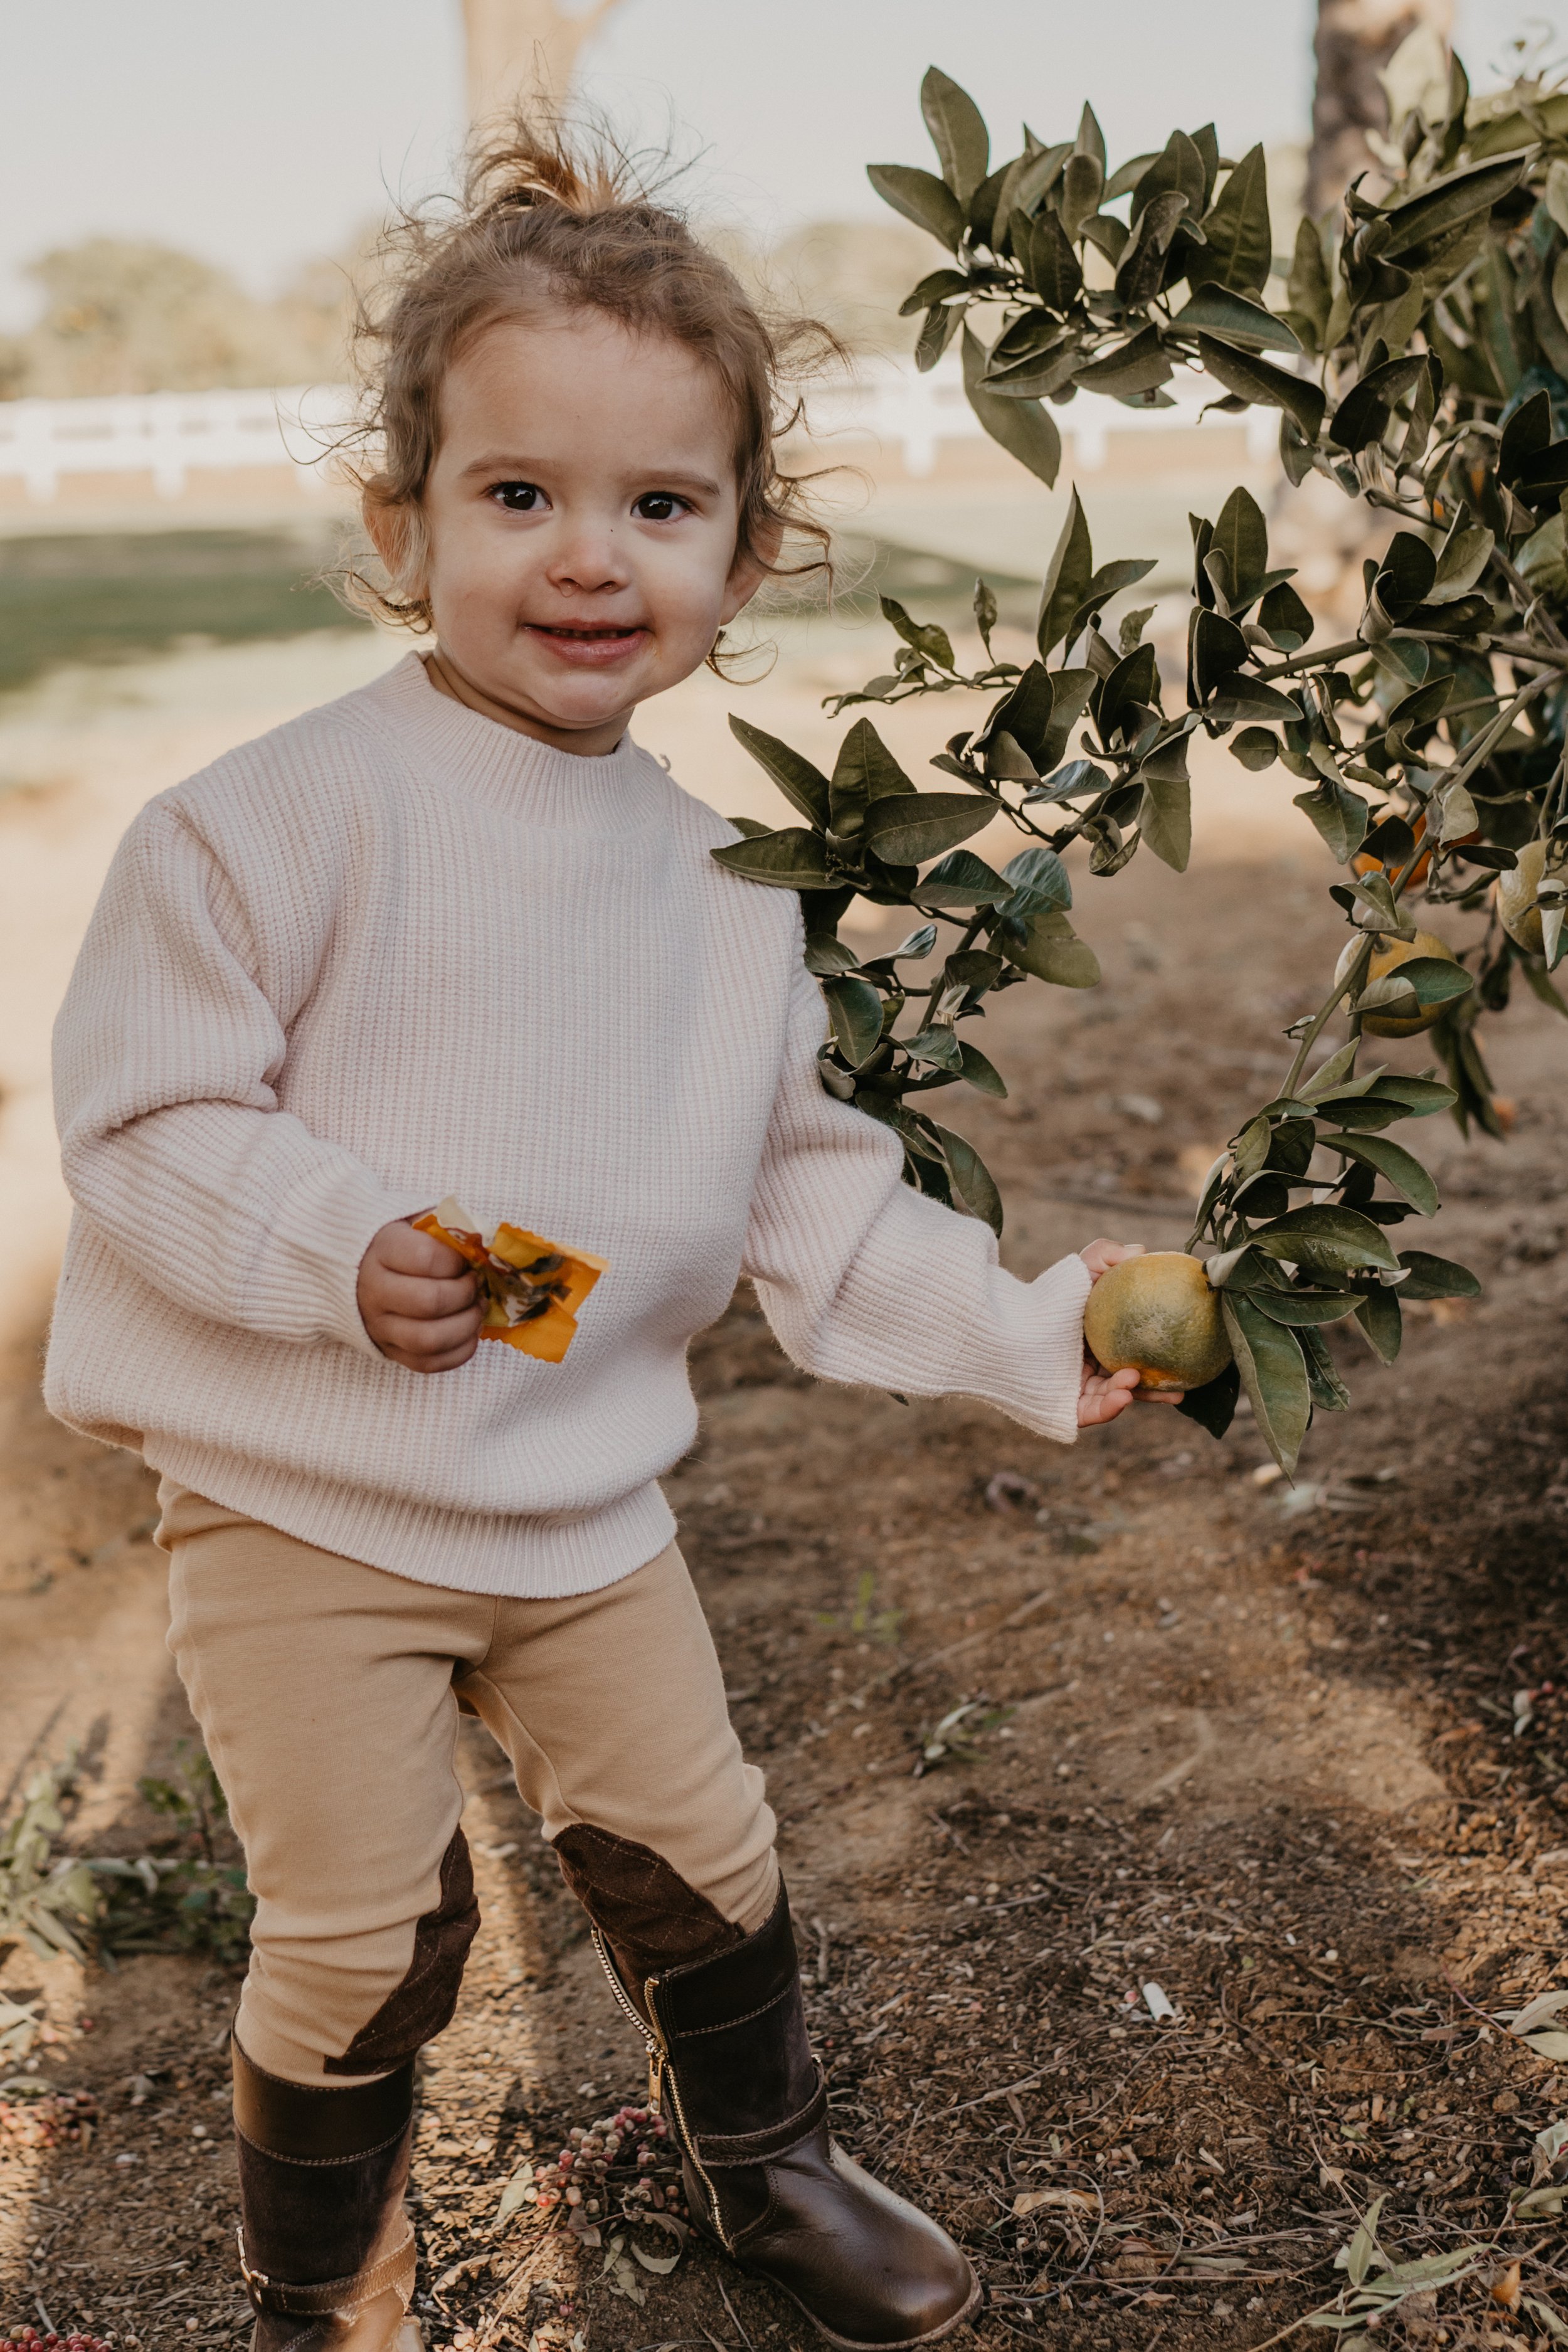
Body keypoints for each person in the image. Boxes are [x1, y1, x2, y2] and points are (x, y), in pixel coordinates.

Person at [46, 120, 1175, 2352]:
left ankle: (764, 2163)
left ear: (747, 557)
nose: (590, 559)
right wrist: (324, 1240)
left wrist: (1028, 1341)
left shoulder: (715, 889)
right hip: (300, 1504)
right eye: (518, 495)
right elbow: (145, 1114)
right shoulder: (270, 823)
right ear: (402, 523)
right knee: (364, 1939)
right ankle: (325, 2298)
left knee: (703, 1853)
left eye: (660, 507)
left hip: (580, 1507)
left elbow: (804, 1190)